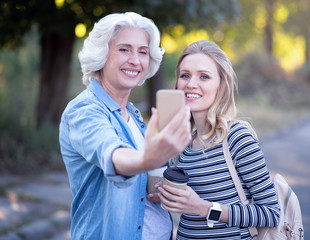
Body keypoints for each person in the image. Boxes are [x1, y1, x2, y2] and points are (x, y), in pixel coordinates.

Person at [59, 12, 191, 240]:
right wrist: (147, 159)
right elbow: (112, 155)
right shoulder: (85, 111)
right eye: (124, 49)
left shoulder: (131, 114)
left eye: (143, 52)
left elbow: (140, 185)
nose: (135, 60)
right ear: (101, 54)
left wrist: (159, 189)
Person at [158, 40, 280, 240]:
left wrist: (203, 208)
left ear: (221, 85)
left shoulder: (236, 137)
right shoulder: (182, 144)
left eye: (204, 76)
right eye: (185, 75)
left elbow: (270, 213)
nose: (191, 83)